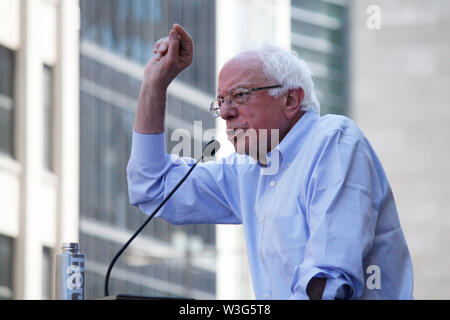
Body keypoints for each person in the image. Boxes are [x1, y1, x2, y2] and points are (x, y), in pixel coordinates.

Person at [127, 24, 414, 299]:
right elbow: (153, 188)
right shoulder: (247, 171)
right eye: (221, 101)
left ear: (290, 99)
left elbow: (326, 279)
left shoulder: (333, 140)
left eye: (239, 96)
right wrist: (154, 84)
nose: (226, 113)